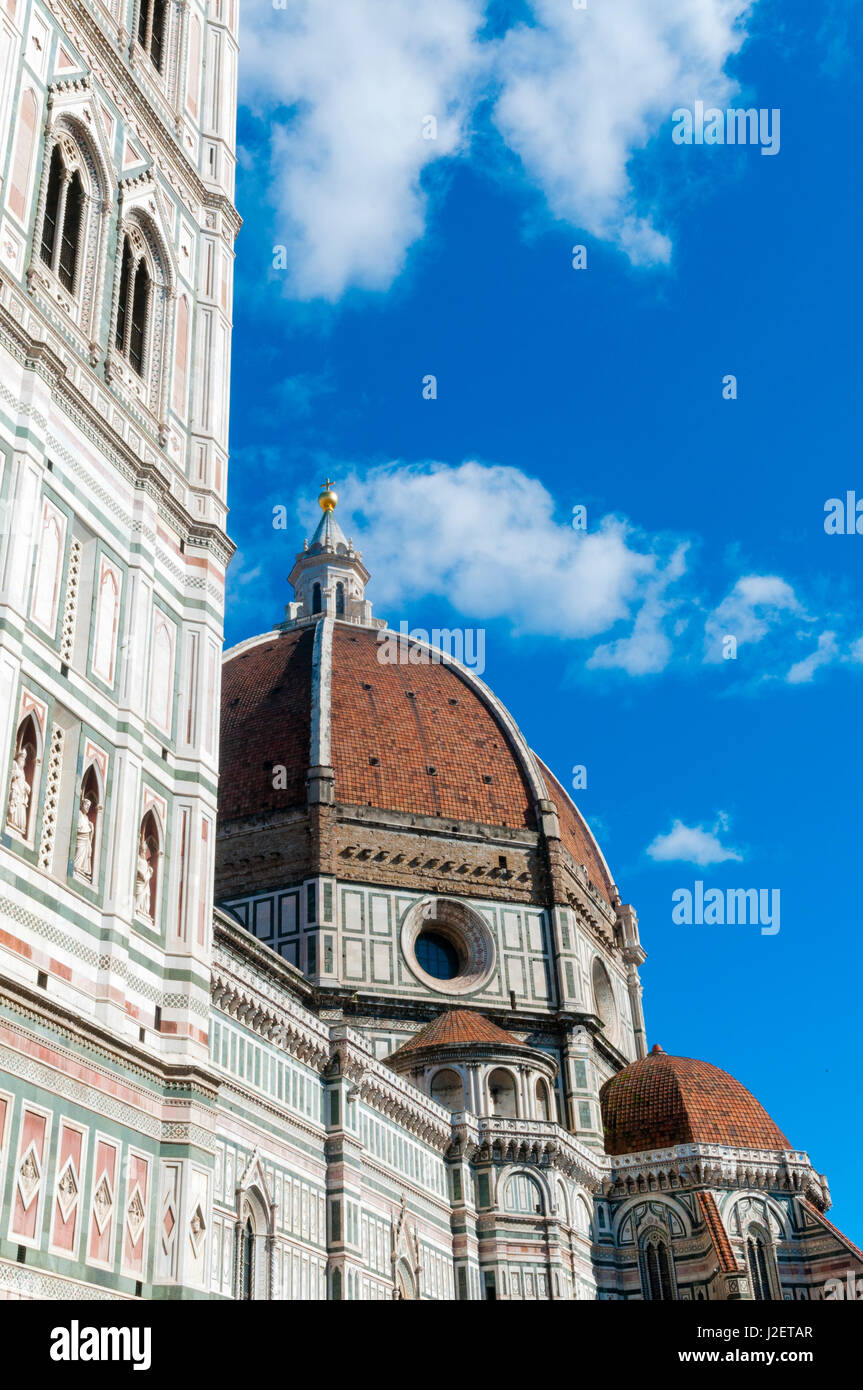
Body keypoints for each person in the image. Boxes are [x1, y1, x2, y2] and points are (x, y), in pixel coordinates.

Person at [6, 747, 30, 834]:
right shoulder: (14, 764)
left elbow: (22, 782)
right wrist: (16, 774)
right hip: (15, 791)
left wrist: (26, 786)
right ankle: (11, 821)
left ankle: (17, 826)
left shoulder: (22, 771)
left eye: (24, 759)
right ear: (18, 758)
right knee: (14, 805)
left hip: (21, 794)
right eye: (22, 758)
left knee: (21, 808)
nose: (23, 761)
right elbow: (10, 774)